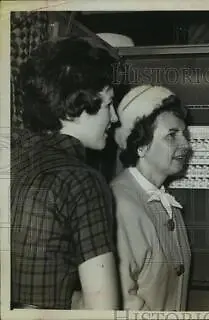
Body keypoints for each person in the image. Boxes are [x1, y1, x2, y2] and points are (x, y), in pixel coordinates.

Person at [11, 37, 120, 310]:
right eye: (108, 104)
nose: (114, 117)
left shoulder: (12, 160)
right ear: (77, 106)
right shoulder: (82, 181)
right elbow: (103, 309)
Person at [110, 85, 192, 311]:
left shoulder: (167, 204)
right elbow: (123, 303)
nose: (186, 144)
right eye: (172, 135)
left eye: (184, 134)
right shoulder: (120, 204)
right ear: (141, 146)